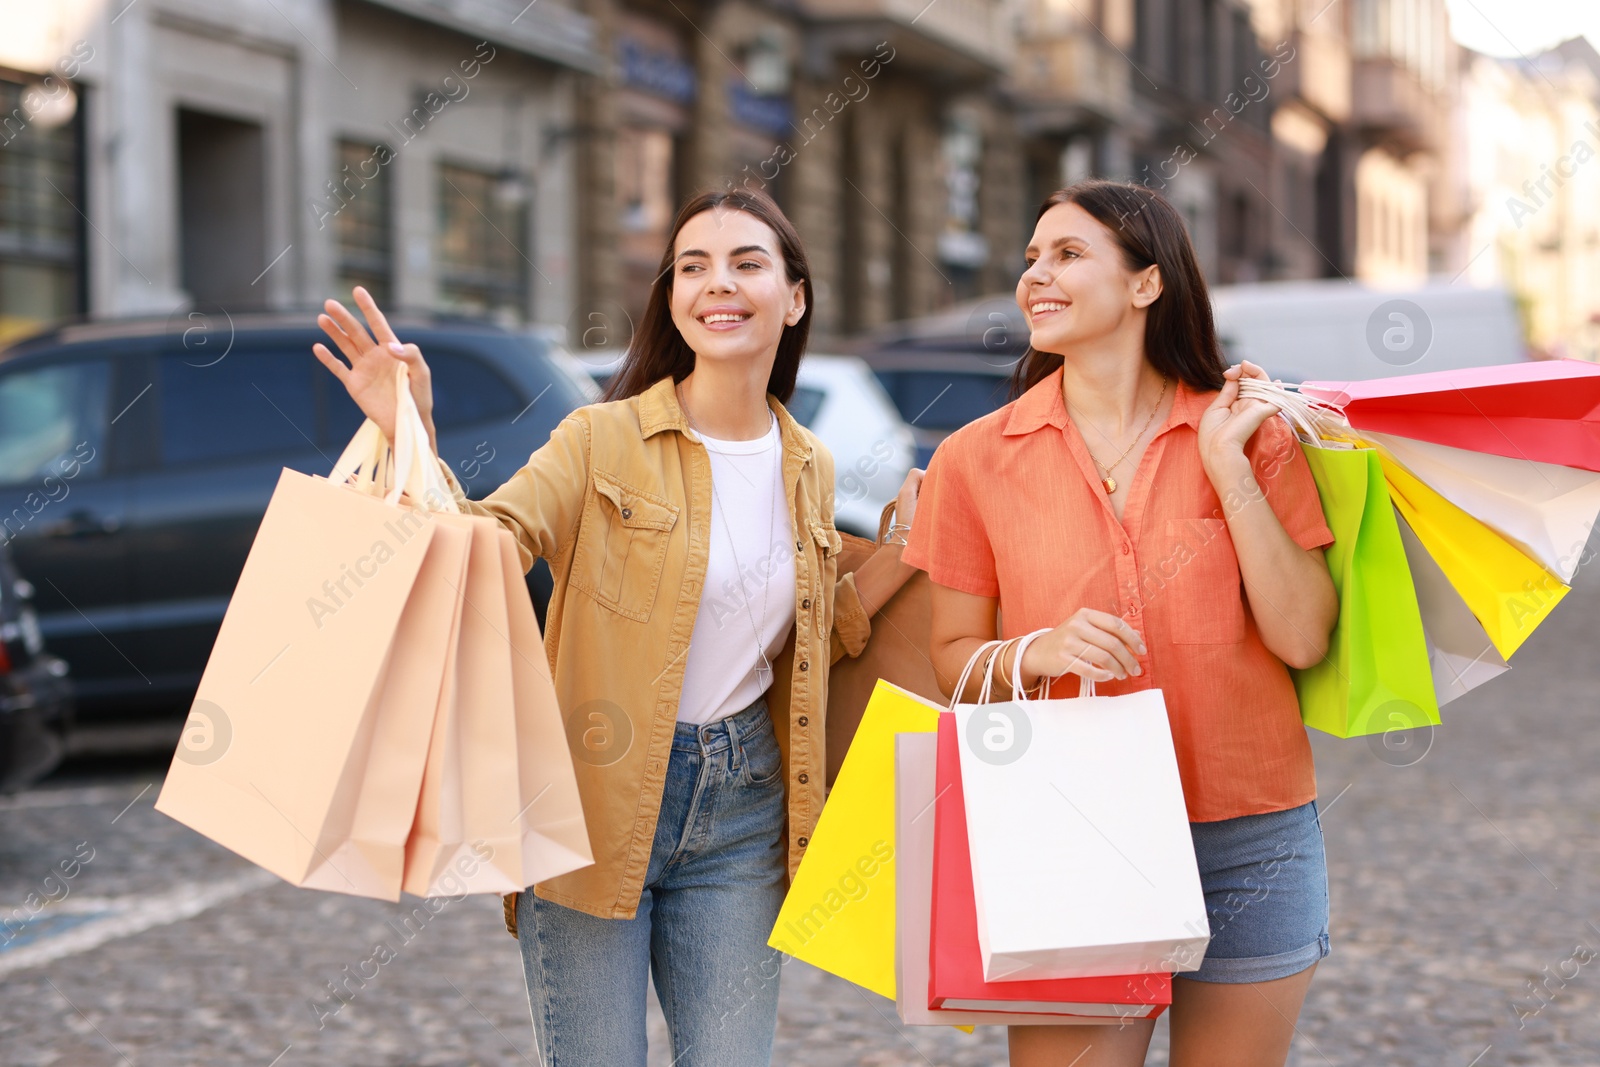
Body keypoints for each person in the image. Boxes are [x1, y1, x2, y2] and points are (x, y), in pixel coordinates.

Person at [312, 188, 923, 1067]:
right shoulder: (601, 439)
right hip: (593, 796)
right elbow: (491, 541)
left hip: (745, 810)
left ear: (794, 297)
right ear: (672, 298)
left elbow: (805, 635)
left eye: (747, 263)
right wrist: (413, 431)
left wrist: (903, 553)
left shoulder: (808, 463)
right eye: (693, 266)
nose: (719, 284)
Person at [902, 179, 1338, 1067]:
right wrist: (1039, 650)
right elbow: (951, 659)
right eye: (1031, 258)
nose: (1036, 276)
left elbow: (1302, 638)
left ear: (1147, 284)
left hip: (1251, 834)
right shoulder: (974, 459)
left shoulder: (1248, 432)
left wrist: (1230, 471)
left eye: (1068, 254)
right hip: (1074, 824)